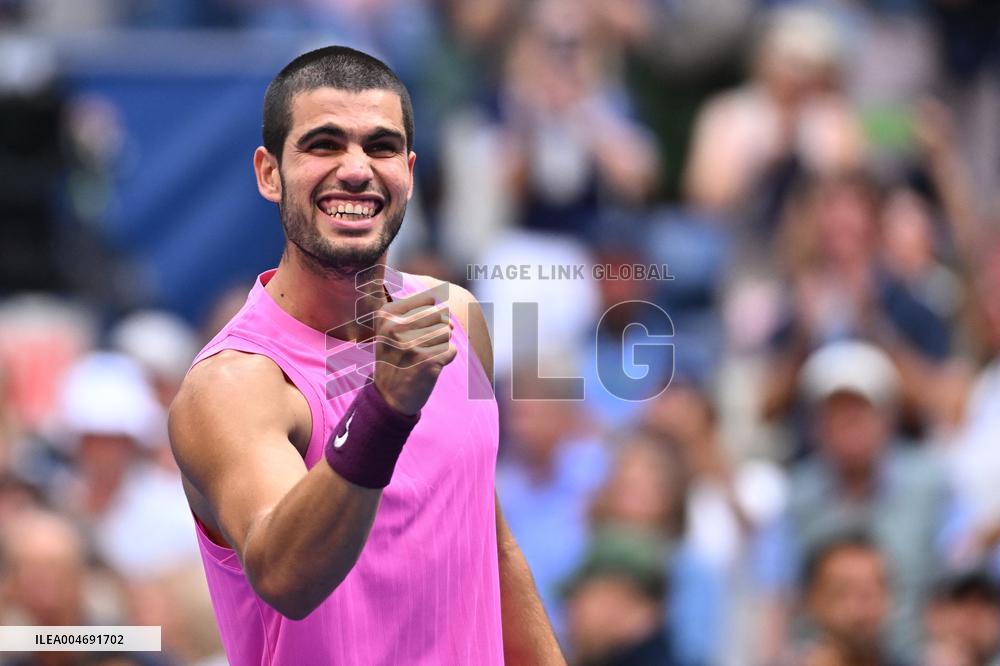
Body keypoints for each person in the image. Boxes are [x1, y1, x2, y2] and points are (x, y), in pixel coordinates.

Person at [168, 46, 563, 665]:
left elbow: (488, 540)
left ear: (407, 169)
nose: (356, 170)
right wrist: (384, 408)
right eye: (323, 144)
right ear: (269, 173)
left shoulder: (456, 316)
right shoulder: (235, 385)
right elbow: (287, 578)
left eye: (380, 147)